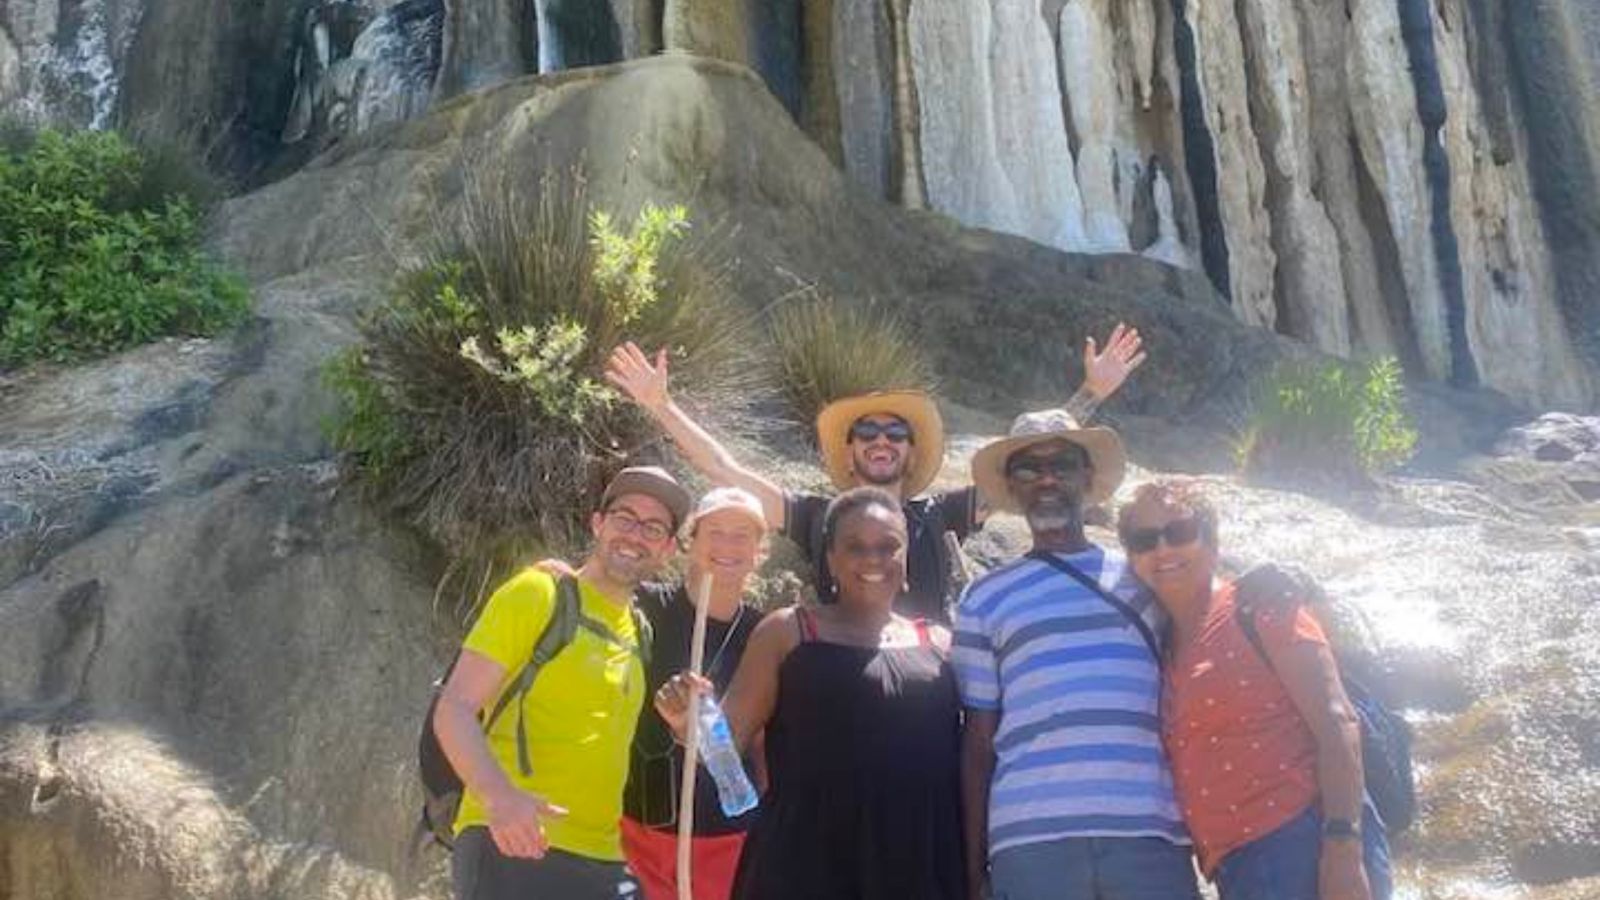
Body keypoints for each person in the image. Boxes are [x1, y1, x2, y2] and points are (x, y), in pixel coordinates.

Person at [604, 324, 1147, 623]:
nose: (882, 441)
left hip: (928, 681)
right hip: (844, 679)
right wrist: (660, 405)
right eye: (867, 432)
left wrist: (1089, 396)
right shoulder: (818, 517)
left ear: (911, 452)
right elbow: (723, 467)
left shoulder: (940, 515)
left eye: (895, 433)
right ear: (851, 450)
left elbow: (1029, 466)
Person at [655, 488, 965, 900]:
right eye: (855, 546)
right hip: (806, 862)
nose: (873, 558)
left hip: (918, 859)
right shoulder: (788, 631)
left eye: (888, 546)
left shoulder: (942, 643)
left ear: (906, 556)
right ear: (831, 559)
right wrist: (685, 724)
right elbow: (725, 748)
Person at [954, 410, 1199, 900]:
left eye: (1062, 464)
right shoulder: (983, 598)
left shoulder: (1147, 576)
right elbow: (978, 741)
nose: (1047, 479)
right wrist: (971, 866)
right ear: (1011, 485)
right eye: (1028, 468)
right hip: (1029, 844)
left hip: (1148, 835)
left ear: (1086, 478)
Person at [1116, 480, 1392, 900]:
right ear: (1131, 557)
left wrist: (1342, 853)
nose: (1163, 549)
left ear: (1211, 540)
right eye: (1144, 539)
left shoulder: (1260, 606)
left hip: (1302, 839)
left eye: (1180, 532)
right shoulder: (1163, 641)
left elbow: (1338, 722)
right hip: (1238, 864)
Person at [433, 466, 690, 900]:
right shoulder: (538, 594)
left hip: (605, 858)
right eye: (624, 518)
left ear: (666, 549)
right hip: (516, 843)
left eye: (653, 527)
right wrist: (499, 799)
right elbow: (454, 708)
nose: (635, 534)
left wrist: (682, 725)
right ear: (597, 524)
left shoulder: (640, 633)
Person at [620, 487, 770, 900]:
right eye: (714, 531)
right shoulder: (641, 606)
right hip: (632, 830)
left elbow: (764, 751)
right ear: (691, 541)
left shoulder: (767, 635)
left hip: (723, 840)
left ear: (760, 550)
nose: (726, 545)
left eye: (742, 535)